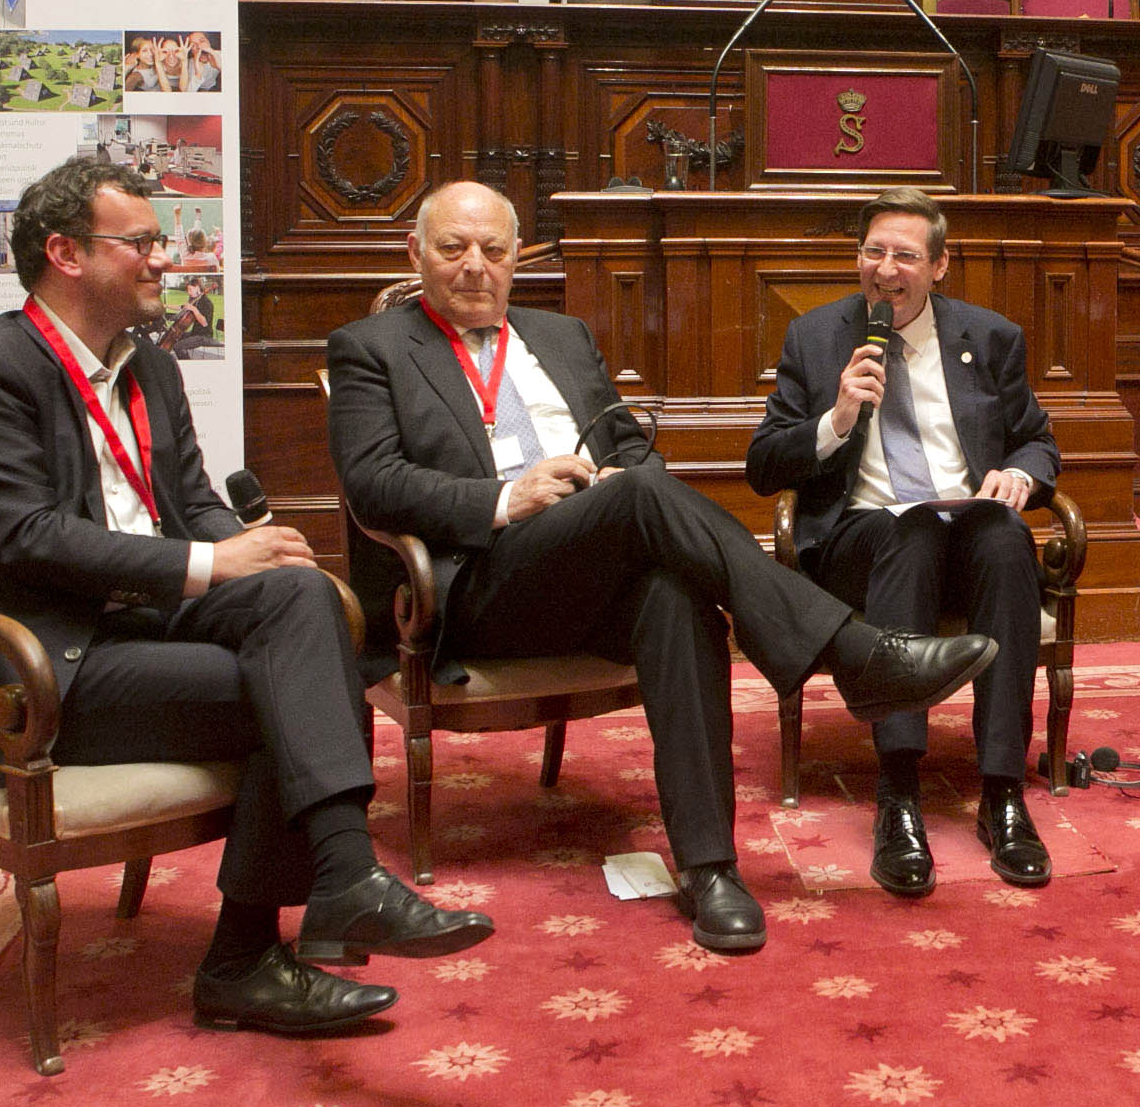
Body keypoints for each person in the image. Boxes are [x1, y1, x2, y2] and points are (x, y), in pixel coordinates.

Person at [325, 182, 997, 952]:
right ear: (416, 254)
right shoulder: (369, 347)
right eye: (453, 249)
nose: (474, 267)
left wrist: (607, 485)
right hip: (471, 583)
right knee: (644, 497)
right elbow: (372, 482)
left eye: (493, 250)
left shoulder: (562, 335)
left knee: (674, 592)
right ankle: (851, 653)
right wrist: (508, 497)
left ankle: (711, 869)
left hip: (584, 565)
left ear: (518, 259)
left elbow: (629, 449)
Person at [0, 159, 492, 1038]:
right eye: (140, 242)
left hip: (142, 623)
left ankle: (325, 896)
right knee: (299, 691)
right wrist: (208, 565)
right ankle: (258, 949)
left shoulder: (148, 366)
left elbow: (189, 503)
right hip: (43, 666)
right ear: (66, 253)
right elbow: (23, 538)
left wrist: (244, 548)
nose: (163, 259)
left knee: (302, 602)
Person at [746, 189, 1062, 896]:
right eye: (873, 252)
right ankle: (898, 794)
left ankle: (1003, 792)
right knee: (910, 532)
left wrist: (1018, 473)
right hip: (865, 539)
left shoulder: (990, 337)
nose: (885, 270)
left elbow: (1037, 441)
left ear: (939, 266)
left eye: (905, 256)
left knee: (1007, 539)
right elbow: (762, 465)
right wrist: (834, 417)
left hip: (969, 530)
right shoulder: (816, 337)